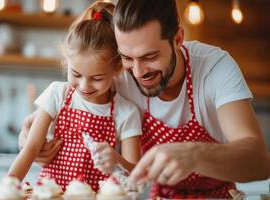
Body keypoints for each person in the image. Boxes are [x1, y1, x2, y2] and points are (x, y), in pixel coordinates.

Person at [20, 0, 270, 198]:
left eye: (150, 56)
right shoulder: (116, 72)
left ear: (178, 39)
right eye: (127, 57)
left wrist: (195, 155)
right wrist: (32, 139)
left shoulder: (215, 68)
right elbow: (65, 103)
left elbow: (259, 160)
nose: (138, 72)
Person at [9, 1, 141, 192]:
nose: (84, 86)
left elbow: (136, 176)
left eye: (97, 78)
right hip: (52, 195)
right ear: (67, 62)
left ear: (117, 68)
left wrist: (117, 161)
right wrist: (5, 190)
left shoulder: (126, 112)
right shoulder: (57, 94)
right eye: (76, 74)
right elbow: (30, 149)